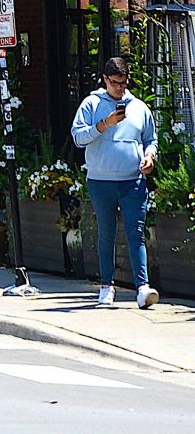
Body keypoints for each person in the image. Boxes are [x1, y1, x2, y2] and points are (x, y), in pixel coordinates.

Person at [71, 55, 159, 308]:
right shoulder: (91, 104)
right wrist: (104, 124)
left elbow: (150, 139)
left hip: (133, 180)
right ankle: (106, 286)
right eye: (114, 83)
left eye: (123, 82)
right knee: (106, 234)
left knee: (136, 233)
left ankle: (142, 288)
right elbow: (78, 137)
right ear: (105, 79)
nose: (119, 88)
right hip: (101, 181)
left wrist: (150, 156)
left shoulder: (139, 107)